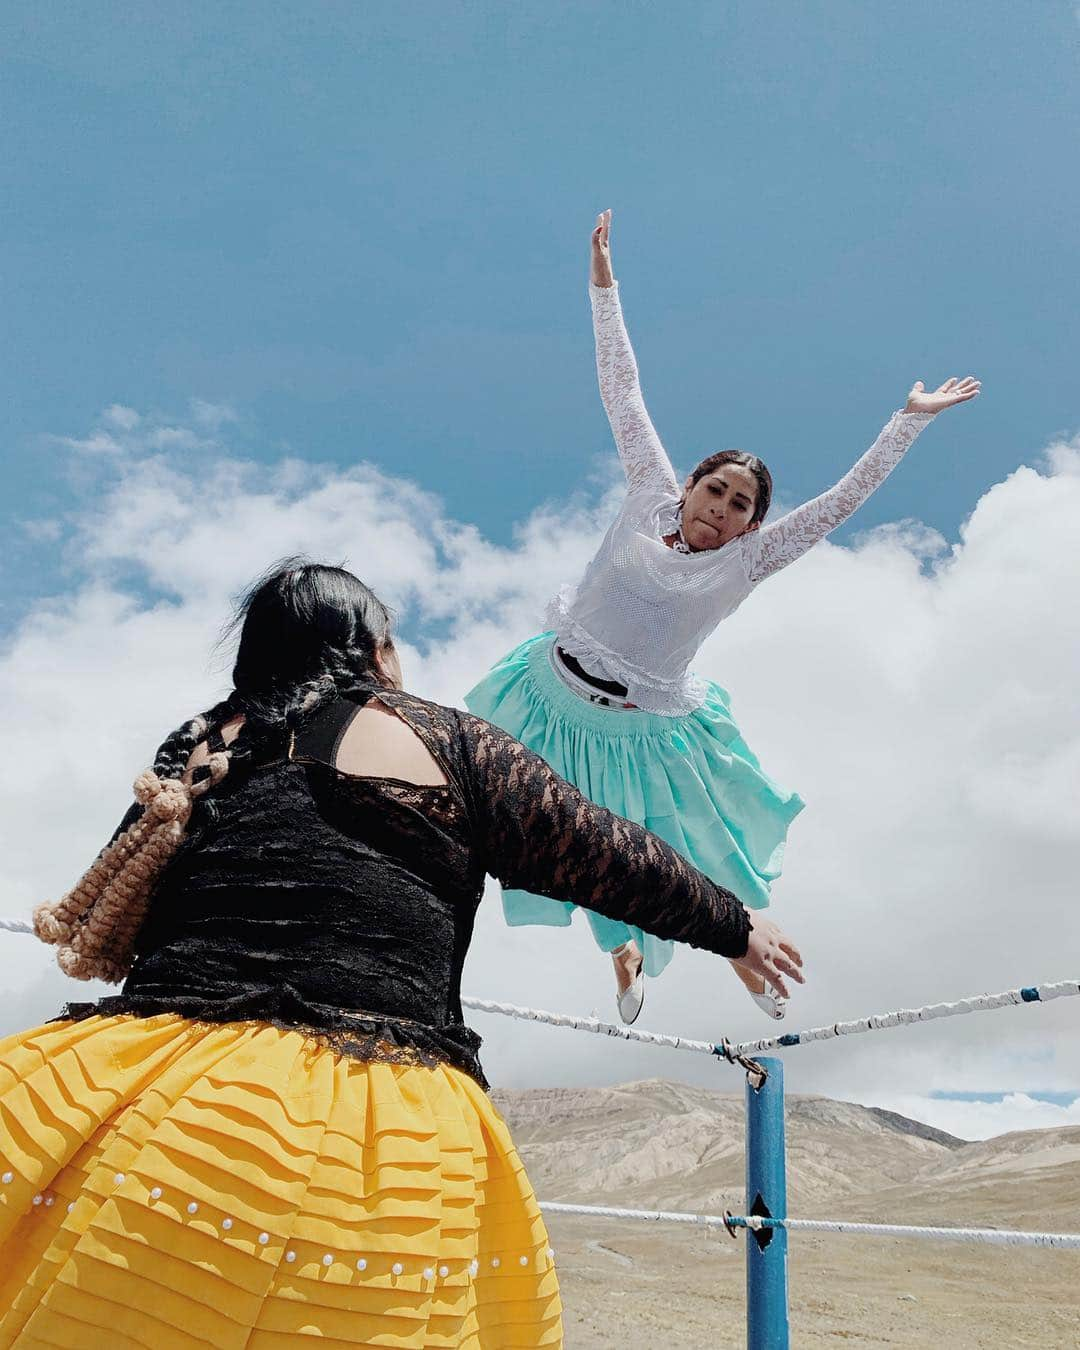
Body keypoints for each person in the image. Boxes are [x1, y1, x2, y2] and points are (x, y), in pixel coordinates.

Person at [0, 560, 802, 1349]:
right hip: (343, 1118)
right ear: (374, 648)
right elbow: (596, 849)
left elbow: (130, 889)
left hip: (116, 1087)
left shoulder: (201, 745)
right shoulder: (441, 737)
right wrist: (734, 927)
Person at [467, 209, 979, 1025]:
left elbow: (841, 503)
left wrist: (907, 421)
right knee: (515, 821)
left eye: (742, 505)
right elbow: (621, 387)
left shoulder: (753, 557)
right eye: (716, 491)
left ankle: (740, 960)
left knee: (674, 848)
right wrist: (604, 284)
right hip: (547, 695)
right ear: (691, 486)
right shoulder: (647, 491)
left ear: (750, 524)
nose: (723, 509)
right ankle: (620, 952)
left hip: (642, 726)